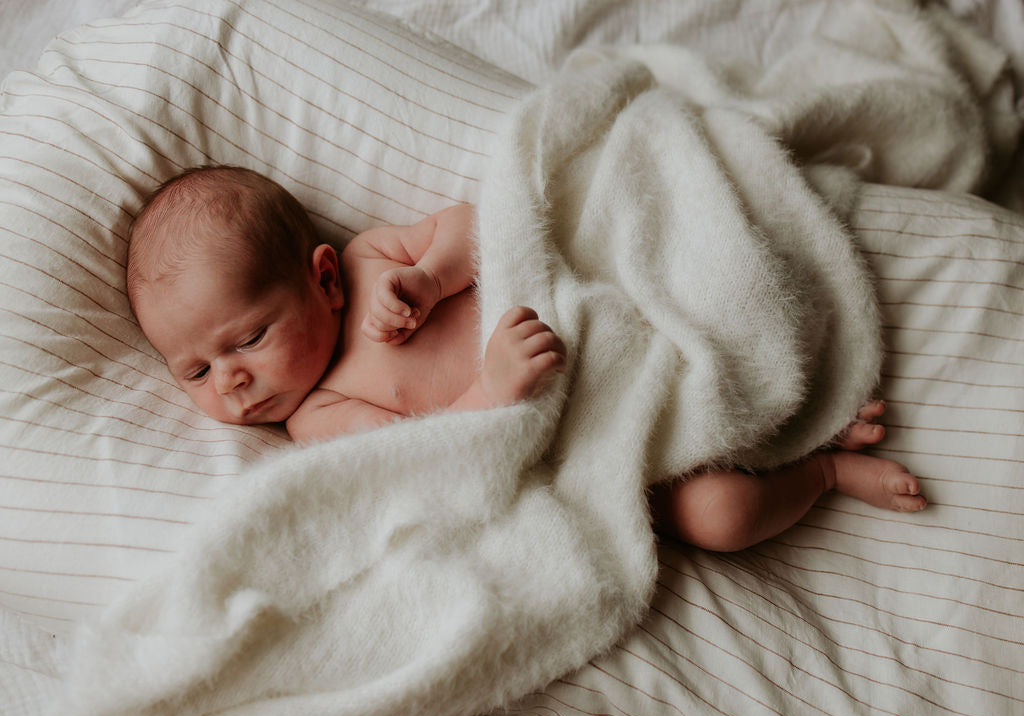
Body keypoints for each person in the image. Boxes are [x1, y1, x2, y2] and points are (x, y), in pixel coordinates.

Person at [127, 165, 926, 552]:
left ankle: (798, 410)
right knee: (721, 519)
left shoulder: (373, 261)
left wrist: (431, 277)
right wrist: (491, 389)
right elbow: (427, 459)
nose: (231, 381)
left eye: (248, 338)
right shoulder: (318, 417)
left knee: (719, 304)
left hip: (615, 341)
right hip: (597, 448)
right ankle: (821, 473)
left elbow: (481, 228)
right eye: (195, 372)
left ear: (324, 279)